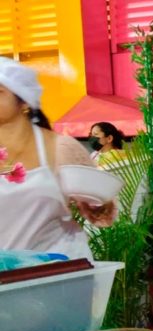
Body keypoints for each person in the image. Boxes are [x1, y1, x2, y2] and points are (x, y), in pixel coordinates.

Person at [0, 57, 116, 260]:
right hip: (7, 275)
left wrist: (98, 204)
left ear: (24, 101)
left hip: (58, 270)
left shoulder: (60, 148)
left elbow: (103, 215)